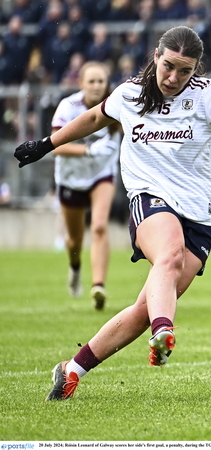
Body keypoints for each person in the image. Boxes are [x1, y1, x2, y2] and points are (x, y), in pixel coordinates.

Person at [14, 25, 211, 401]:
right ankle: (165, 329)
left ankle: (72, 369)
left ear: (196, 69)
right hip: (150, 197)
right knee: (166, 256)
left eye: (185, 71)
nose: (174, 77)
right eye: (169, 66)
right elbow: (93, 118)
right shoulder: (129, 93)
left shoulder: (209, 95)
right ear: (156, 56)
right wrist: (45, 144)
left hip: (199, 211)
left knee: (143, 308)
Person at [51, 61, 121, 309]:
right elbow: (56, 146)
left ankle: (98, 286)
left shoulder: (116, 105)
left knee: (100, 226)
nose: (96, 86)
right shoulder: (68, 107)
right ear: (81, 83)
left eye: (101, 81)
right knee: (75, 240)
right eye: (91, 81)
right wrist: (89, 150)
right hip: (71, 178)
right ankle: (75, 267)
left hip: (102, 174)